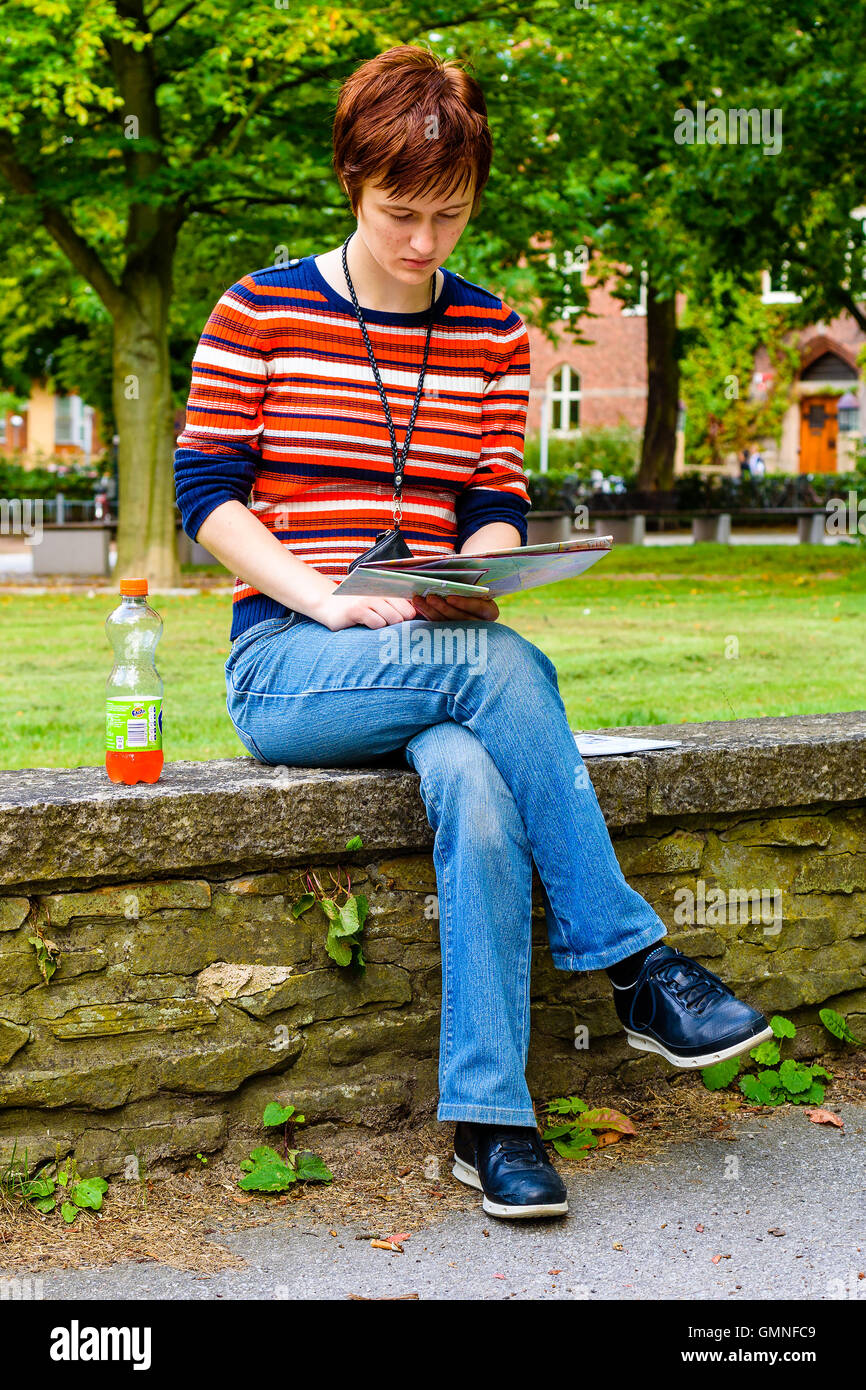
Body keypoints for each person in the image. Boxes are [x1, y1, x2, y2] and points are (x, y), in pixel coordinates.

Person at [173, 44, 771, 1221]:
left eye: (448, 215)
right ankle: (636, 965)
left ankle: (490, 1122)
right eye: (400, 212)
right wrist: (325, 596)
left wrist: (479, 572)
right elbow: (205, 496)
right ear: (351, 179)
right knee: (493, 670)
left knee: (480, 785)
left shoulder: (493, 333)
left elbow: (492, 502)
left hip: (435, 664)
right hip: (291, 659)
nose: (423, 243)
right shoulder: (258, 307)